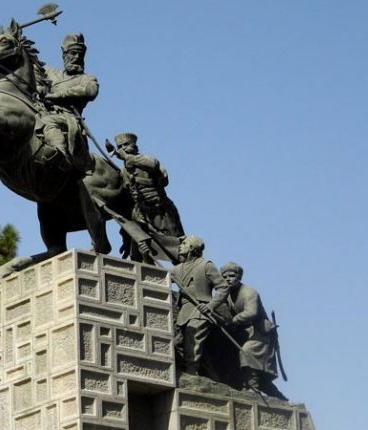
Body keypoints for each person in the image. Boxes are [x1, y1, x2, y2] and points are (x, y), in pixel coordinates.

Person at [0, 33, 99, 199]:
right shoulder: (51, 73)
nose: (76, 57)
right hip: (41, 111)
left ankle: (61, 156)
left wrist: (57, 95)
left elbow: (91, 91)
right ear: (64, 55)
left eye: (79, 54)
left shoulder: (86, 78)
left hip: (66, 119)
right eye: (72, 53)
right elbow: (28, 72)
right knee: (13, 133)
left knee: (46, 122)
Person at [111, 132, 185, 263]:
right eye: (120, 146)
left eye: (126, 145)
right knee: (140, 245)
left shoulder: (147, 159)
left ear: (134, 145)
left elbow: (153, 166)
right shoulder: (124, 172)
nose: (123, 148)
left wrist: (128, 158)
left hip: (159, 209)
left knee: (177, 247)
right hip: (140, 212)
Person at [220, 262, 286, 399]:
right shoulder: (227, 295)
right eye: (224, 277)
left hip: (261, 334)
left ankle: (253, 389)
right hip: (245, 332)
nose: (228, 279)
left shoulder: (249, 293)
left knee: (247, 351)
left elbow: (251, 313)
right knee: (260, 377)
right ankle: (279, 398)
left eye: (231, 276)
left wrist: (233, 320)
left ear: (238, 277)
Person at [170, 236, 229, 375]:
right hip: (184, 311)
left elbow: (223, 287)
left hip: (200, 310)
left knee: (193, 339)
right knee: (176, 342)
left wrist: (211, 306)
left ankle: (191, 372)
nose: (180, 246)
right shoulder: (177, 269)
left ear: (192, 248)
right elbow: (159, 276)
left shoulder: (206, 265)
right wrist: (145, 255)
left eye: (184, 244)